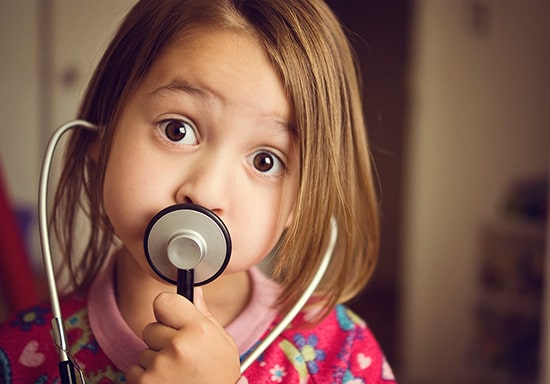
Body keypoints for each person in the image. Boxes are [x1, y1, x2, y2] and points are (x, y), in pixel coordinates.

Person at [0, 0, 397, 383]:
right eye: (177, 130)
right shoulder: (22, 355)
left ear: (302, 200)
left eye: (265, 161)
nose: (205, 193)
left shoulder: (342, 355)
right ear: (103, 131)